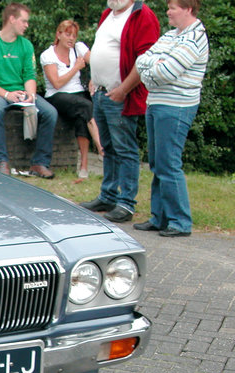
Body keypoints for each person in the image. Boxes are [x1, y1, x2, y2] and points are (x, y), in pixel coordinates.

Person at [79, 0, 159, 222]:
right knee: (109, 148)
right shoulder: (107, 14)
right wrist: (94, 80)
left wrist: (124, 89)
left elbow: (145, 59)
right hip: (102, 92)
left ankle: (126, 202)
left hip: (120, 94)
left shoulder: (142, 16)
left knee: (125, 149)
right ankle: (108, 195)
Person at [134, 0, 208, 237]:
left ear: (187, 9)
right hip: (156, 103)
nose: (167, 12)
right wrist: (157, 66)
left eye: (172, 7)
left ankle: (179, 221)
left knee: (168, 163)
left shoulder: (195, 37)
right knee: (156, 162)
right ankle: (159, 217)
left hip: (176, 107)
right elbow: (141, 60)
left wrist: (154, 69)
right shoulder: (169, 35)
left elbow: (167, 72)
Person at [0, 3, 58, 178]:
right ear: (12, 19)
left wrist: (30, 95)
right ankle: (1, 160)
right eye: (24, 21)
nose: (26, 25)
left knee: (50, 112)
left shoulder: (26, 46)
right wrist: (7, 94)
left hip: (21, 92)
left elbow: (30, 74)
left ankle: (40, 163)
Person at [40, 20, 104, 182]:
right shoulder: (48, 55)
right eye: (67, 34)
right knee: (86, 105)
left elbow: (97, 63)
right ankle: (101, 147)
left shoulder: (79, 48)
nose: (71, 39)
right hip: (57, 95)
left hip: (78, 95)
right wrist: (76, 67)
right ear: (58, 34)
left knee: (82, 118)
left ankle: (83, 166)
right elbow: (57, 83)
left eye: (74, 36)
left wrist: (94, 78)